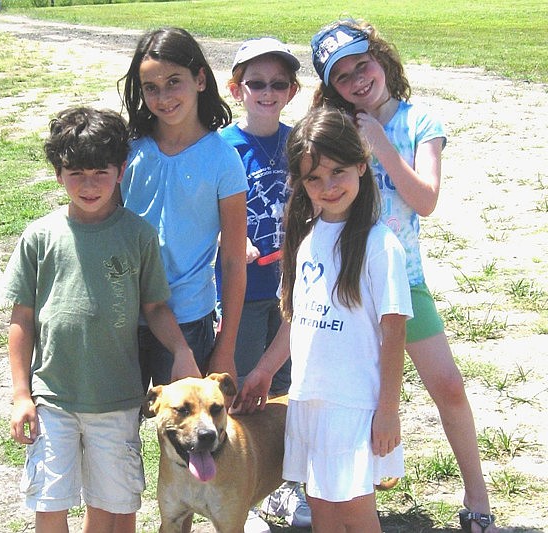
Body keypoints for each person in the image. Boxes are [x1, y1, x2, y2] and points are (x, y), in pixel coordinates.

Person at [309, 18, 497, 533]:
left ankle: (477, 495)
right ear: (332, 87)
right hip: (345, 283)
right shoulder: (336, 126)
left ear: (382, 60)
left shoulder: (419, 121)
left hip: (403, 279)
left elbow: (426, 201)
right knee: (346, 394)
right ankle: (334, 495)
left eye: (362, 65)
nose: (357, 80)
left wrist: (382, 145)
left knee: (450, 388)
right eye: (342, 76)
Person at [4, 107, 201, 533]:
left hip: (117, 400)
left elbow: (155, 308)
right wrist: (22, 394)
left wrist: (181, 349)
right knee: (49, 500)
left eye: (100, 171)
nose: (89, 185)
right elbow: (21, 319)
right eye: (75, 173)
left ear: (121, 170)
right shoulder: (39, 237)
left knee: (116, 505)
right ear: (58, 174)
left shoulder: (139, 235)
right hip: (52, 398)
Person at [234, 106, 412, 532]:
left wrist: (388, 409)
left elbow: (394, 333)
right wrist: (263, 370)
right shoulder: (306, 236)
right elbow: (298, 317)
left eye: (338, 172)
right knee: (321, 509)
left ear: (361, 166)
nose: (327, 186)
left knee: (354, 512)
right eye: (314, 177)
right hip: (307, 400)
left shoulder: (379, 245)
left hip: (353, 406)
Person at [119, 27, 248, 390]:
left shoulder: (223, 160)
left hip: (190, 318)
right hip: (123, 314)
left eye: (174, 82)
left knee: (186, 437)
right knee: (115, 432)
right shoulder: (127, 151)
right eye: (151, 88)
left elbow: (234, 261)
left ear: (201, 79)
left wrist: (226, 346)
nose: (164, 97)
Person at [217, 37, 311, 532]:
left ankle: (287, 484)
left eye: (278, 84)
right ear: (236, 89)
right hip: (244, 294)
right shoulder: (222, 148)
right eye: (256, 83)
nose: (267, 92)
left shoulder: (299, 143)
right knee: (242, 395)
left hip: (293, 291)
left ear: (292, 91)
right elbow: (202, 217)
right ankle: (243, 494)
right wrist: (229, 242)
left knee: (289, 390)